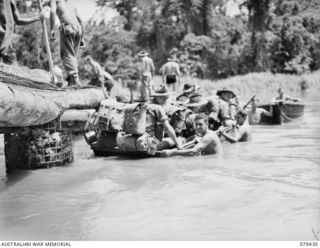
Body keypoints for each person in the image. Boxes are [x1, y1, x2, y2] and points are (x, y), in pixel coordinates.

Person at [49, 0, 84, 86]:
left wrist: (51, 29)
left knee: (67, 54)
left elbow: (53, 12)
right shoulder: (72, 4)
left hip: (68, 27)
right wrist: (82, 37)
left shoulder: (54, 1)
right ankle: (74, 79)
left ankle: (74, 79)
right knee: (73, 56)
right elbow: (81, 22)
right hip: (78, 28)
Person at [0, 0, 44, 64]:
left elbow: (18, 20)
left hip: (6, 41)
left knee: (11, 62)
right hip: (3, 37)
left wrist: (37, 18)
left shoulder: (11, 2)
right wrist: (2, 32)